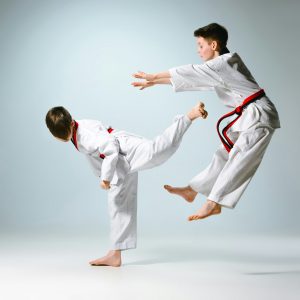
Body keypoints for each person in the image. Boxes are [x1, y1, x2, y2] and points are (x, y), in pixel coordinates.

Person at [132, 23, 280, 221]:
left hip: (259, 115)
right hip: (247, 115)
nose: (198, 50)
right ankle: (193, 190)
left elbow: (191, 72)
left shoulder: (224, 63)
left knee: (240, 157)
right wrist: (154, 81)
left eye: (201, 45)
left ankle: (214, 202)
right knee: (223, 154)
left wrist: (154, 76)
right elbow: (194, 79)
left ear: (214, 45)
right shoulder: (221, 67)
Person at [45, 103, 207, 266]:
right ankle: (115, 254)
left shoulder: (85, 136)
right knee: (118, 204)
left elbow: (110, 148)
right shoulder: (76, 130)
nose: (66, 138)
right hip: (118, 164)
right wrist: (103, 174)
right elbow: (95, 154)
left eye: (67, 134)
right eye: (62, 137)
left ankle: (188, 117)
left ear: (71, 123)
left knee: (157, 151)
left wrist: (106, 178)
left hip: (124, 150)